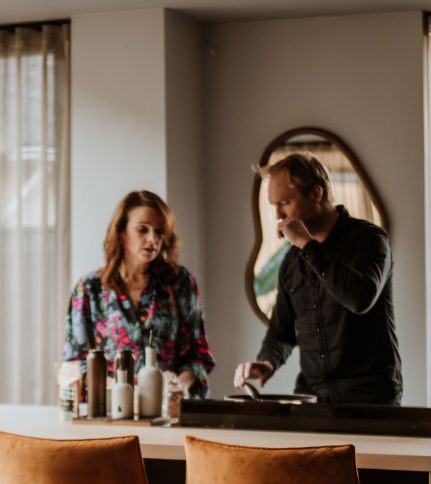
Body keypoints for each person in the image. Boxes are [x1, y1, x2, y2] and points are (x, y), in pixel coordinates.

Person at [234, 153, 402, 404]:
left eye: (285, 202)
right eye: (274, 205)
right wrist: (268, 362)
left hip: (371, 400)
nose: (278, 215)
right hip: (313, 400)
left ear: (315, 193)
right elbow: (282, 332)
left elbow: (360, 298)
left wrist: (306, 244)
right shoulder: (291, 262)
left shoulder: (369, 240)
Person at [63, 189, 215, 398]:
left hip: (168, 411)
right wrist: (121, 387)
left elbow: (198, 355)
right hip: (109, 411)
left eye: (159, 231)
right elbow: (75, 362)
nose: (153, 239)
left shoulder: (180, 283)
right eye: (142, 230)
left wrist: (179, 383)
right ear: (122, 233)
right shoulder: (90, 288)